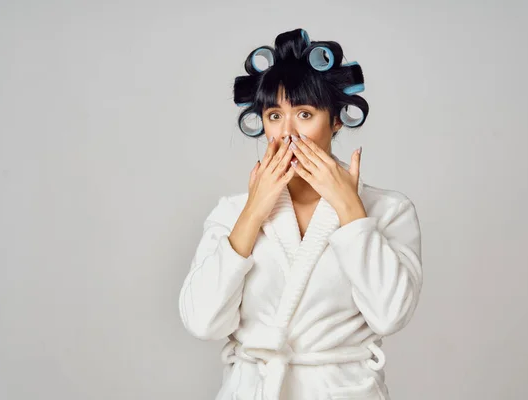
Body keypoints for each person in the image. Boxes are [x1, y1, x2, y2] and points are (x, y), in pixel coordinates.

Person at [178, 28, 423, 400]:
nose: (287, 132)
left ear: (336, 121)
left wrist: (351, 213)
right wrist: (252, 214)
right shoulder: (232, 213)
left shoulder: (388, 211)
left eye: (305, 114)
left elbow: (389, 315)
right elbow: (202, 322)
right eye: (275, 115)